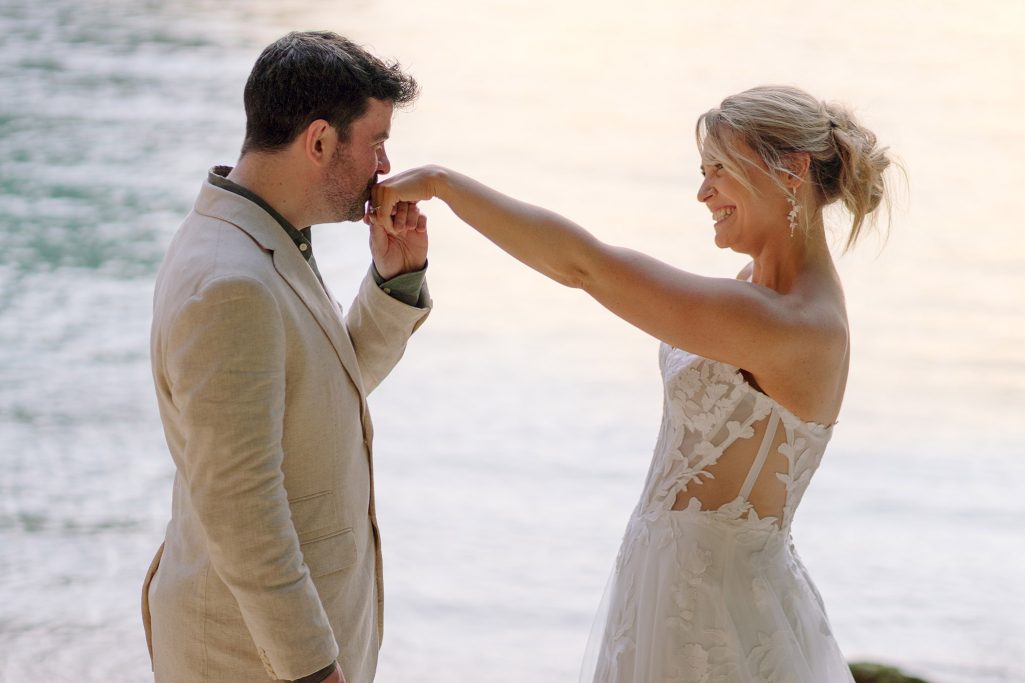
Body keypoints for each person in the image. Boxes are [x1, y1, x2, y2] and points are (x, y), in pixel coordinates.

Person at [370, 85, 894, 682]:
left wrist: (442, 184)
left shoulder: (792, 325)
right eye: (703, 172)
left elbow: (584, 266)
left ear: (792, 170)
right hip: (675, 586)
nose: (703, 193)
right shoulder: (759, 288)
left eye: (719, 170)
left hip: (716, 616)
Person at [142, 31, 431, 683]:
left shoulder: (257, 238)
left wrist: (393, 284)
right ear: (321, 141)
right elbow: (242, 504)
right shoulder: (233, 283)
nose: (384, 167)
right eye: (376, 142)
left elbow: (322, 392)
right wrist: (311, 669)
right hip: (253, 661)